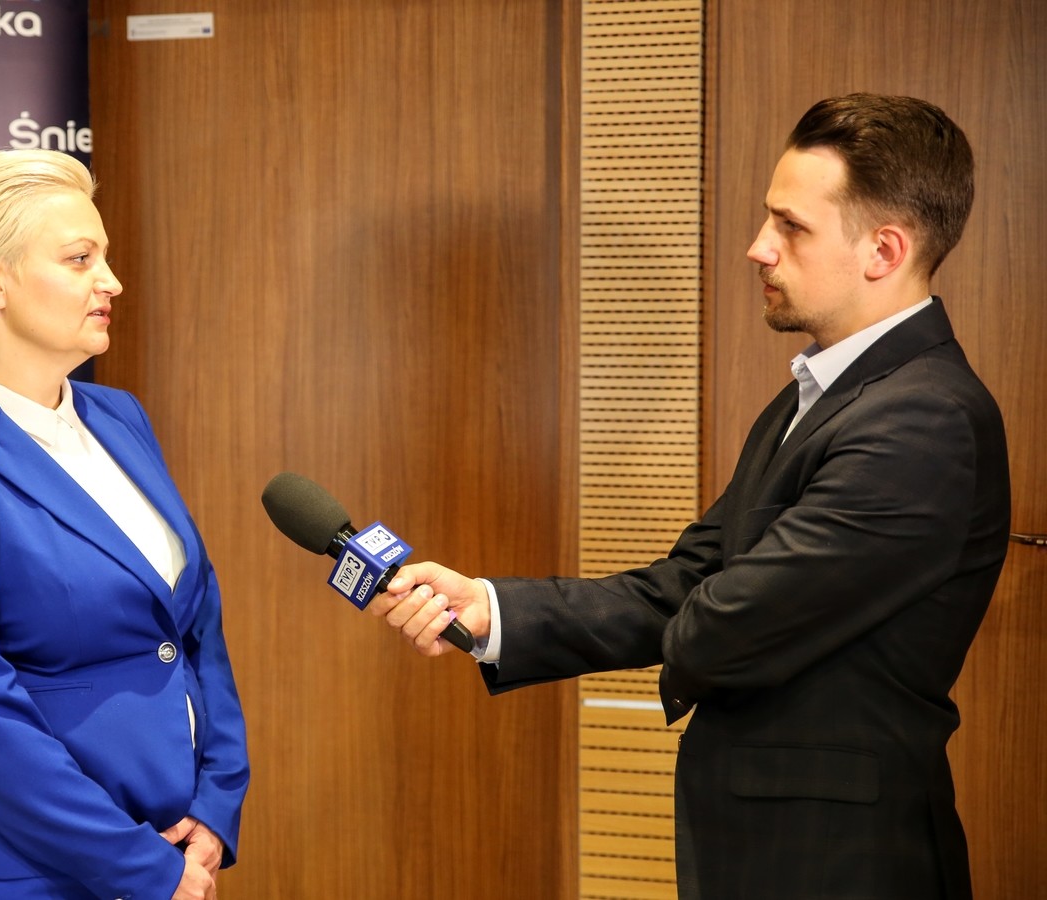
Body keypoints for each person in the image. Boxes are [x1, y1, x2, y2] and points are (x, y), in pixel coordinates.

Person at [368, 93, 1008, 899]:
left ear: (884, 250)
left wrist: (700, 612)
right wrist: (494, 610)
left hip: (840, 862)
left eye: (791, 226)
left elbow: (725, 625)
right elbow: (690, 580)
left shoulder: (923, 418)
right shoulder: (816, 396)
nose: (758, 247)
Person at [0, 149, 249, 900]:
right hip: (13, 871)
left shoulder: (120, 416)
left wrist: (217, 802)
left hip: (168, 840)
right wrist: (139, 865)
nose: (111, 282)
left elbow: (194, 626)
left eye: (103, 257)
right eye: (80, 259)